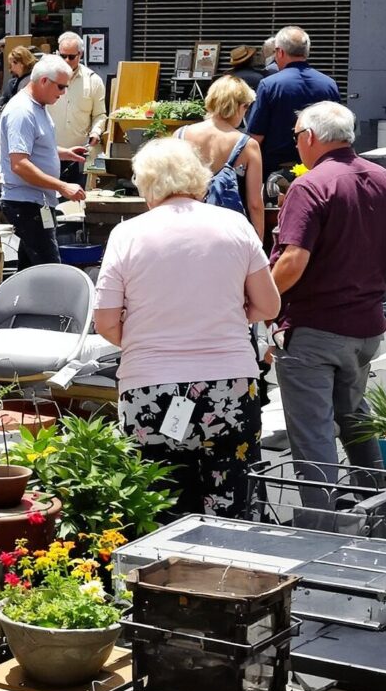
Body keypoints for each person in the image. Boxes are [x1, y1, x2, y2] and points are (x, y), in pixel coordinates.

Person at [93, 138, 278, 519]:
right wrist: (224, 319)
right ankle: (233, 573)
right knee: (233, 504)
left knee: (160, 505)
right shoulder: (234, 225)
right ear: (198, 178)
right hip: (229, 382)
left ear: (146, 185)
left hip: (150, 386)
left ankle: (166, 574)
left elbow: (106, 322)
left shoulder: (127, 235)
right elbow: (269, 305)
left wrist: (150, 337)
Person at [270, 102, 386, 503]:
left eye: (296, 136)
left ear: (310, 137)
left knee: (313, 431)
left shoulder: (310, 184)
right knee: (353, 415)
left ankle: (322, 522)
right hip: (365, 324)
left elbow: (294, 259)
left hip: (315, 325)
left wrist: (263, 301)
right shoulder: (384, 179)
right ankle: (376, 505)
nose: (296, 145)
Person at [0, 55, 86, 268]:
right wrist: (63, 186)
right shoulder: (22, 110)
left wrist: (63, 153)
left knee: (31, 269)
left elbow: (33, 146)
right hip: (26, 203)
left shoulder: (37, 106)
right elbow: (19, 163)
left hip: (36, 201)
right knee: (49, 269)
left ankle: (23, 302)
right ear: (44, 80)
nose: (64, 93)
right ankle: (53, 303)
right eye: (61, 86)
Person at [176, 75, 264, 239]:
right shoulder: (247, 145)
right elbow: (255, 204)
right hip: (228, 233)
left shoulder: (180, 135)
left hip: (185, 227)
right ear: (238, 106)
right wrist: (258, 243)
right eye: (246, 107)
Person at [245, 26, 339, 175]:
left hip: (274, 169)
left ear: (280, 52)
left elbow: (256, 135)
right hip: (318, 167)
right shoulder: (329, 84)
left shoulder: (269, 85)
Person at [48, 32, 107, 181]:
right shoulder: (47, 78)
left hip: (79, 155)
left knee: (75, 201)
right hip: (50, 152)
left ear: (80, 54)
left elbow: (100, 115)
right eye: (62, 56)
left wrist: (96, 132)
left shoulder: (93, 81)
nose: (66, 61)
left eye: (71, 57)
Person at [0, 46, 37, 176]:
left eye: (12, 63)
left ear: (21, 62)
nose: (10, 68)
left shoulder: (29, 82)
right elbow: (3, 99)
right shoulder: (14, 82)